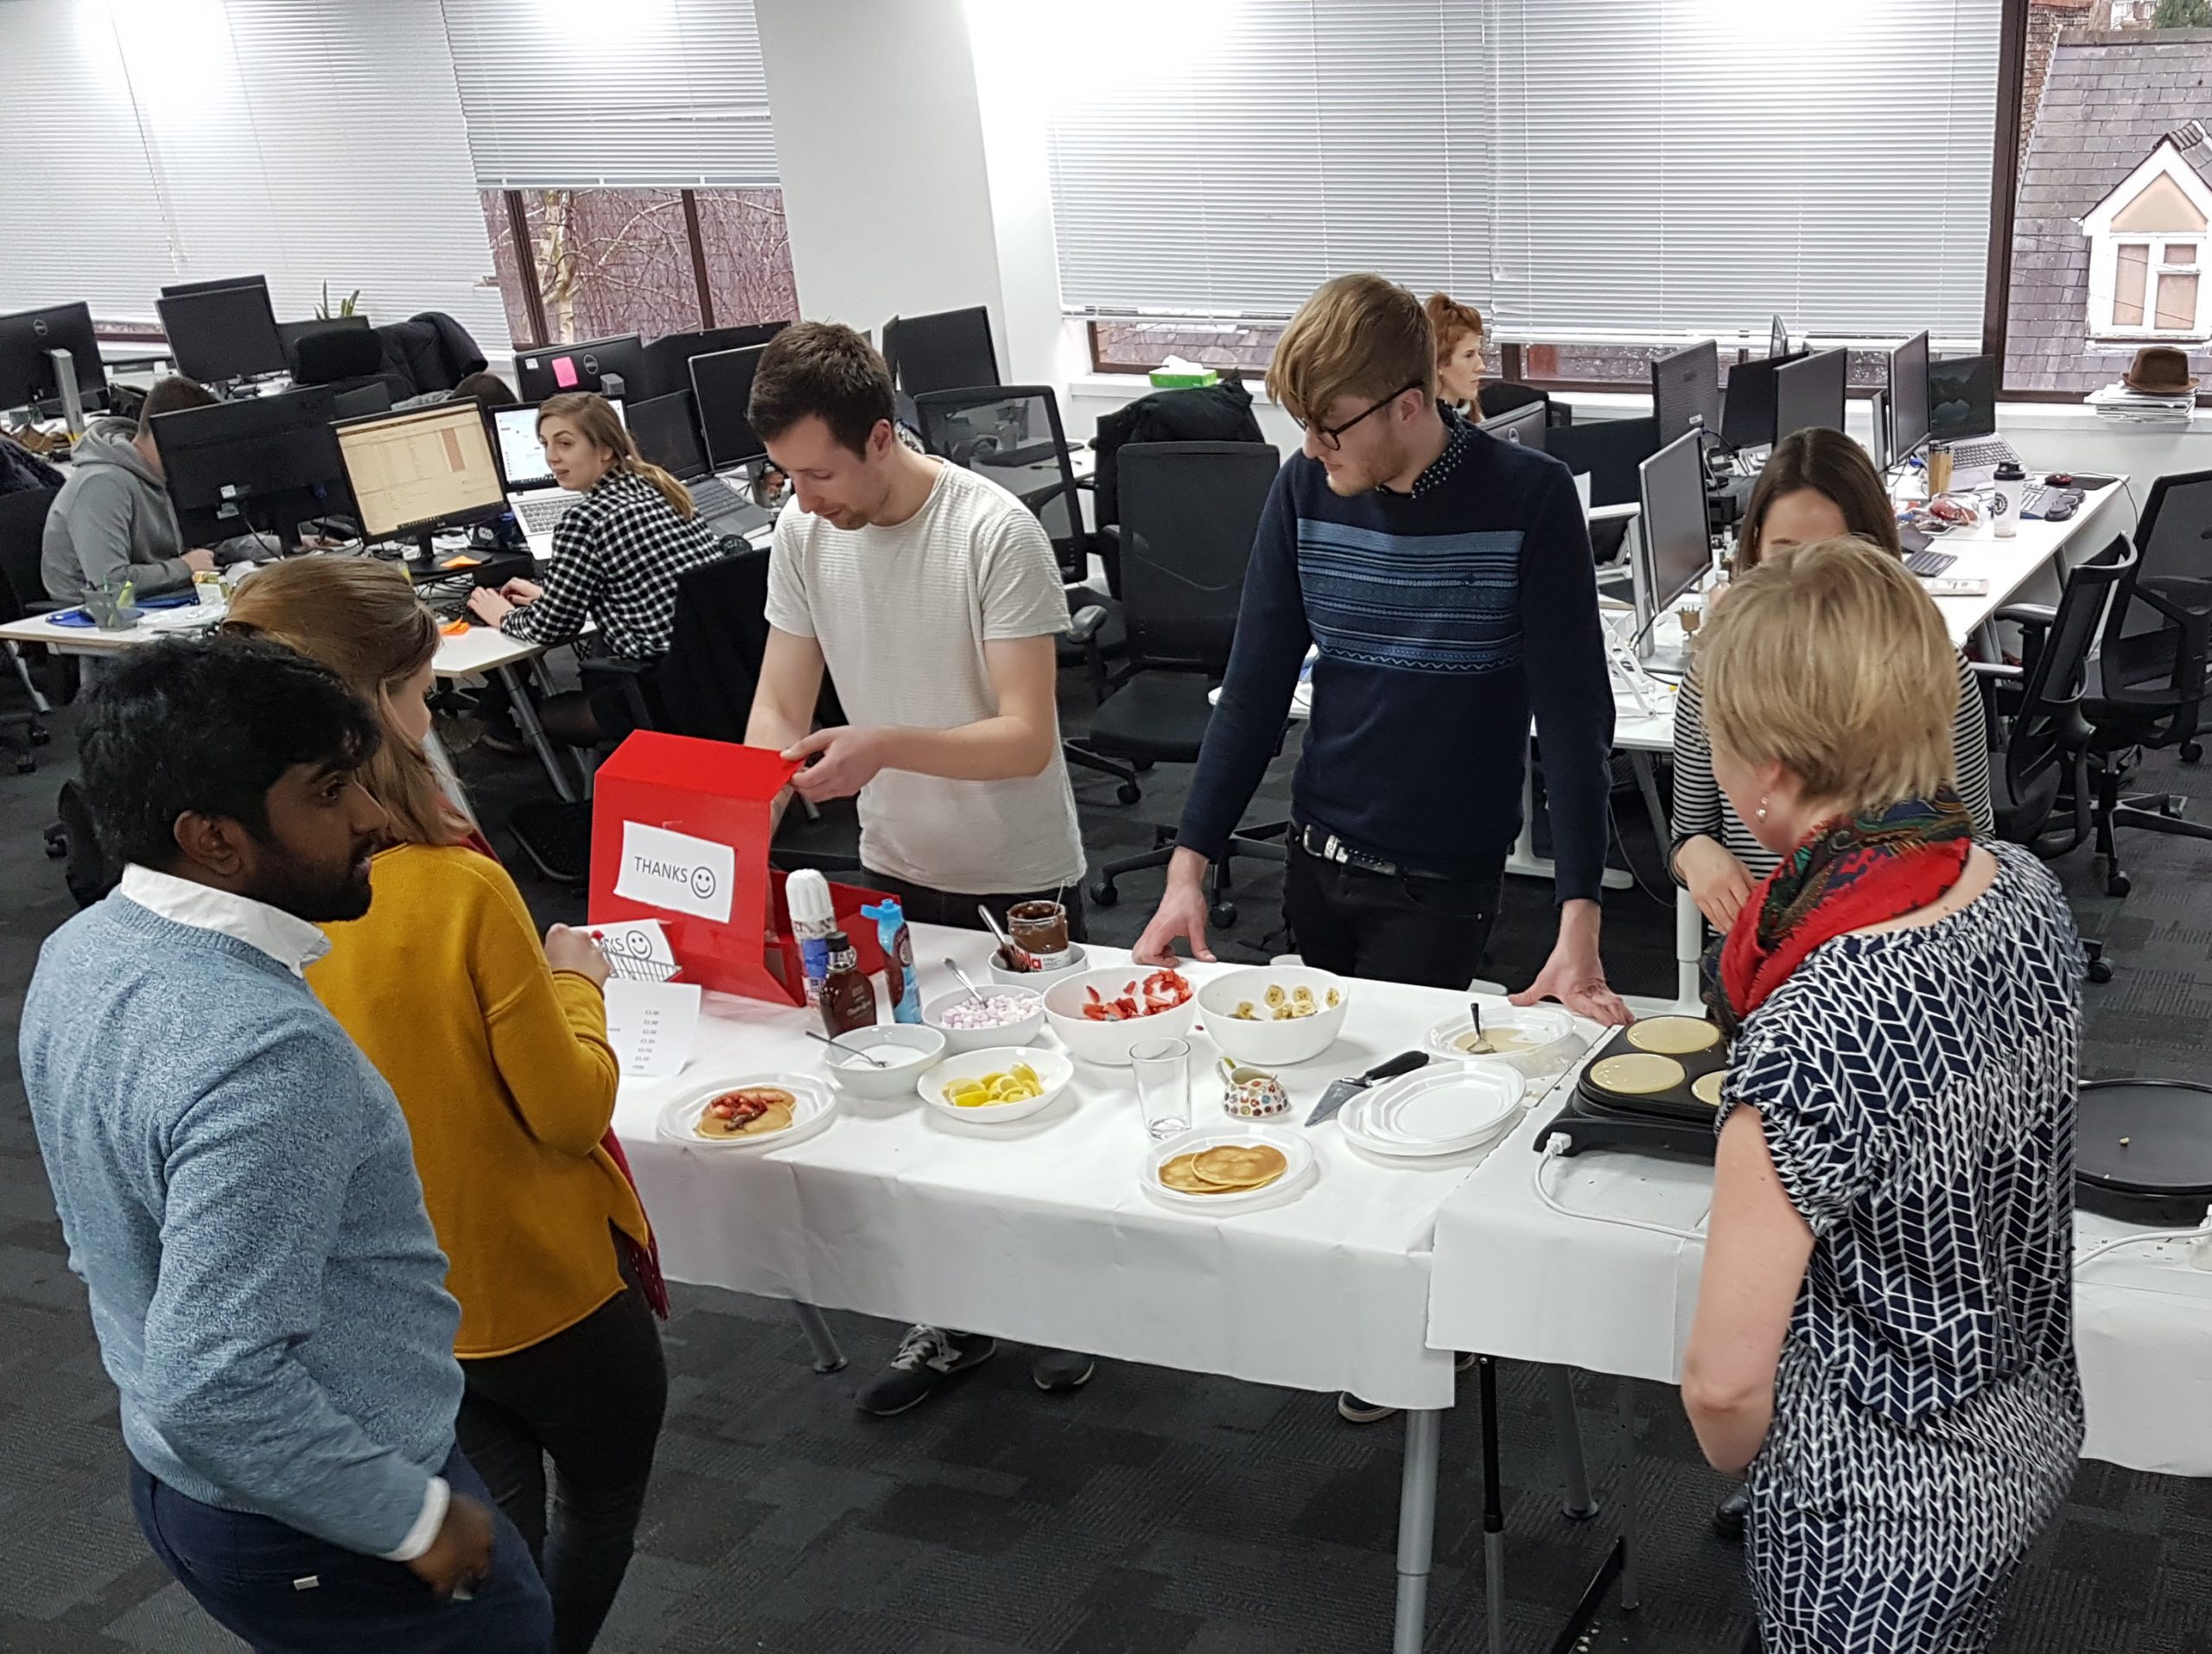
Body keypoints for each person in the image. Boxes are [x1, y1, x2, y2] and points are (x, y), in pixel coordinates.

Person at [17, 635, 553, 1654]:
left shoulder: (84, 950)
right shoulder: (265, 1058)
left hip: (195, 1490)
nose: (375, 817)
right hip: (325, 1510)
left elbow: (106, 1233)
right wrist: (407, 1516)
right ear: (214, 839)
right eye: (329, 793)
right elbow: (213, 1380)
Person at [226, 559, 666, 1654]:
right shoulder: (458, 888)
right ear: (369, 709)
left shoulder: (238, 911)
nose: (435, 719)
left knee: (497, 1529)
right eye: (424, 693)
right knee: (601, 1503)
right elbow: (567, 1112)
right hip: (542, 1282)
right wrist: (578, 982)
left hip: (399, 1299)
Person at [1680, 538, 2083, 1654]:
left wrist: (1751, 1463)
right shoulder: (2024, 890)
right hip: (2024, 1428)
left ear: (1768, 775)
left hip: (1873, 1523)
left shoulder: (1814, 1022)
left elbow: (1722, 1386)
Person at [741, 320, 1090, 1415]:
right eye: (786, 475)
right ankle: (956, 1309)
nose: (802, 498)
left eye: (819, 471)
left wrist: (881, 741)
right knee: (918, 1094)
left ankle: (1070, 1306)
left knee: (1035, 1107)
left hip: (1011, 872)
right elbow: (778, 705)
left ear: (881, 437)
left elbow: (1024, 736)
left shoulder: (990, 532)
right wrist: (742, 812)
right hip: (892, 859)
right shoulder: (806, 535)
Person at [1672, 429, 1996, 957]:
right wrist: (1696, 854)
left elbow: (1974, 835)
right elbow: (1687, 832)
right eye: (1785, 551)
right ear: (1753, 547)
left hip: (1895, 950)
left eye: (1835, 554)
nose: (1810, 577)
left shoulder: (1933, 670)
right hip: (1759, 946)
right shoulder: (1713, 674)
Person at [466, 391, 724, 746]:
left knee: (543, 715)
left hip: (662, 693)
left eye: (565, 444)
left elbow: (552, 628)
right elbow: (639, 585)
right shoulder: (661, 488)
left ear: (604, 449)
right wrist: (551, 595)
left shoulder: (586, 519)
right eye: (545, 444)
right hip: (717, 681)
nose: (551, 457)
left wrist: (502, 615)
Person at [40, 375, 270, 606]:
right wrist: (185, 567)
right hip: (98, 617)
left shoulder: (170, 475)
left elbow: (212, 545)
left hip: (168, 599)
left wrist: (288, 544)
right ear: (168, 434)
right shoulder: (102, 485)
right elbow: (110, 583)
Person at [1425, 292, 1486, 411]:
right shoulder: (1425, 427)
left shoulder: (1471, 415)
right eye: (1469, 355)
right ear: (1438, 362)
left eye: (1479, 353)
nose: (1481, 367)